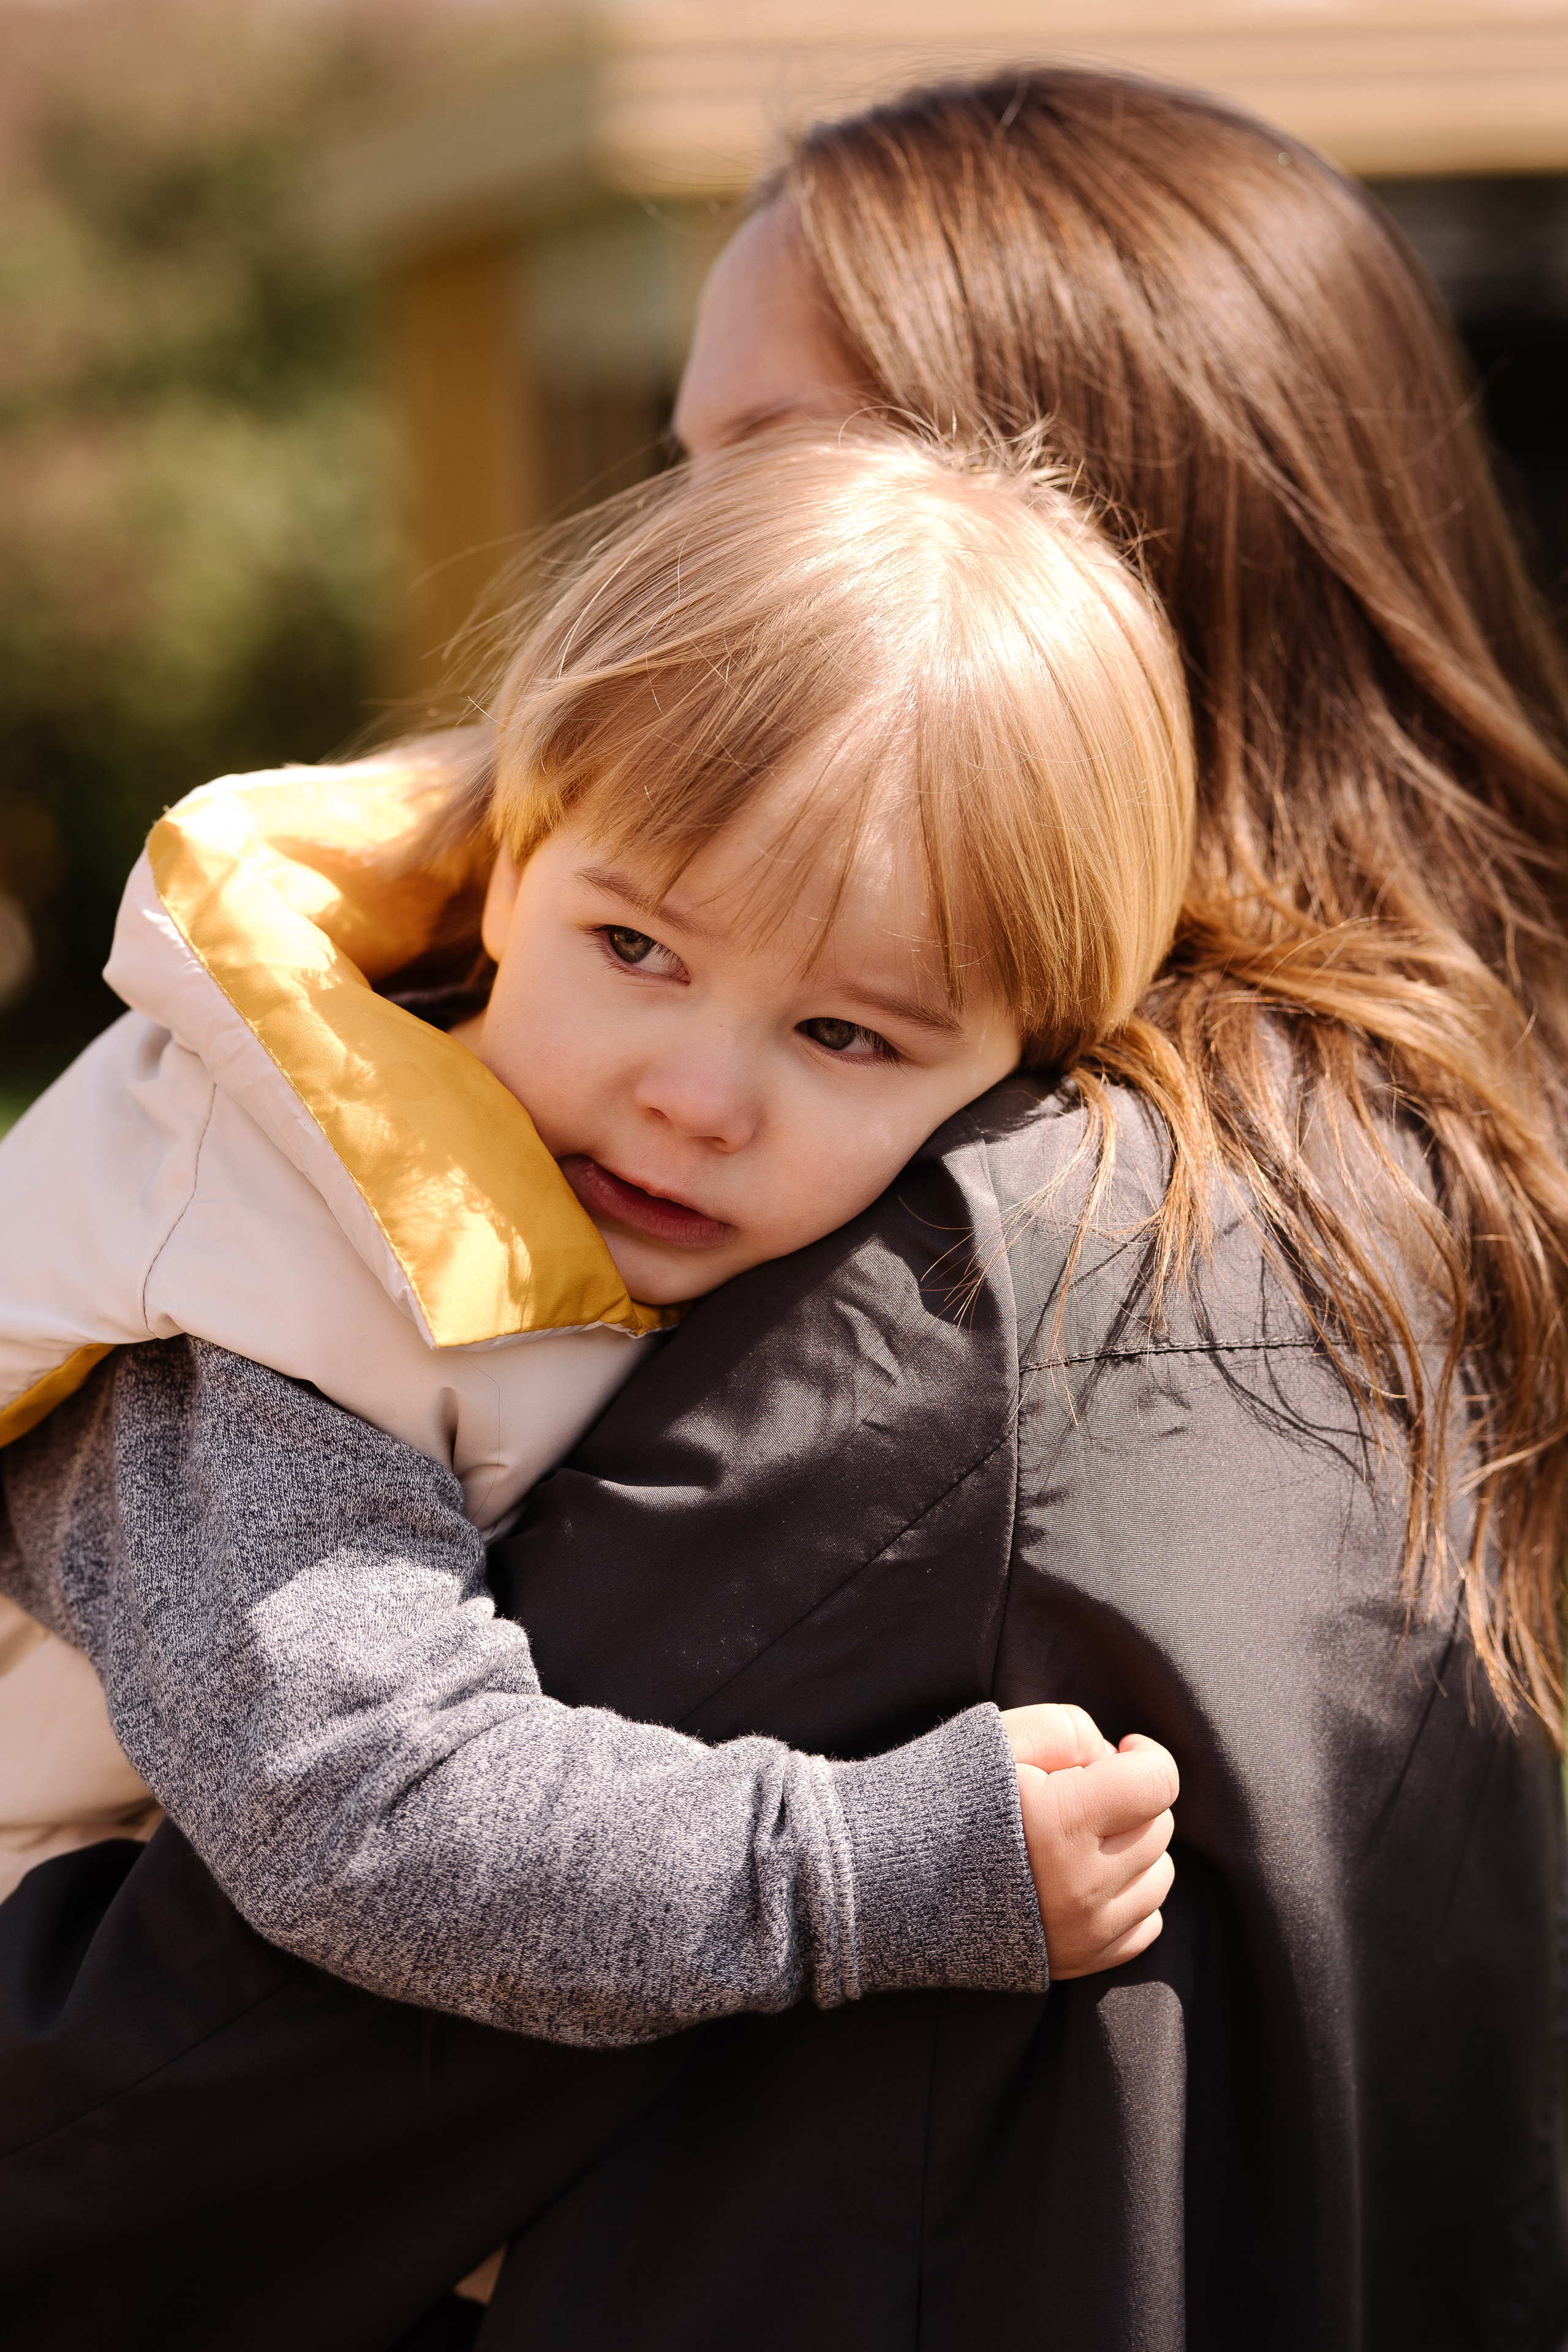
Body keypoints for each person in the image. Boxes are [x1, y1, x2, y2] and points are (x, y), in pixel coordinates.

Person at [4, 63, 1568, 2352]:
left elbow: (181, 2111)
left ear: (1069, 565)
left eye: (773, 469)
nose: (689, 562)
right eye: (682, 468)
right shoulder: (1394, 1181)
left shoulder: (994, 1271)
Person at [0, 432, 1189, 2013]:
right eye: (636, 945)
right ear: (504, 868)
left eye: (844, 1036)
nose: (696, 1097)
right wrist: (870, 1868)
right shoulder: (268, 1277)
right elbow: (367, 1813)